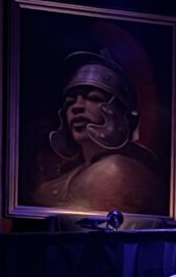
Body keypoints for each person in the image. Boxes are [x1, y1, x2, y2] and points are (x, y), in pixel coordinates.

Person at [31, 51, 162, 215]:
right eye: (70, 102)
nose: (77, 107)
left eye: (94, 98)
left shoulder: (116, 171)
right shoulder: (57, 182)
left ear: (122, 113)